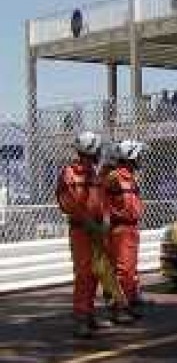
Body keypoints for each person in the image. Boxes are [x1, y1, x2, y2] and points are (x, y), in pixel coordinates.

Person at [56, 132, 108, 338]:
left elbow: (101, 199)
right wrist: (87, 221)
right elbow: (67, 201)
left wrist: (104, 221)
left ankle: (89, 313)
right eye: (96, 149)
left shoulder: (94, 173)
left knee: (96, 272)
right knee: (84, 272)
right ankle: (81, 317)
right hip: (81, 230)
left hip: (96, 228)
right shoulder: (69, 173)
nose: (99, 153)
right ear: (89, 150)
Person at [104, 139, 146, 321]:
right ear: (129, 157)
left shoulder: (130, 177)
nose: (140, 159)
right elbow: (102, 202)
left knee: (129, 270)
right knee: (122, 271)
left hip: (131, 228)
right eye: (137, 155)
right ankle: (117, 308)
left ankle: (126, 304)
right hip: (119, 228)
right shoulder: (113, 177)